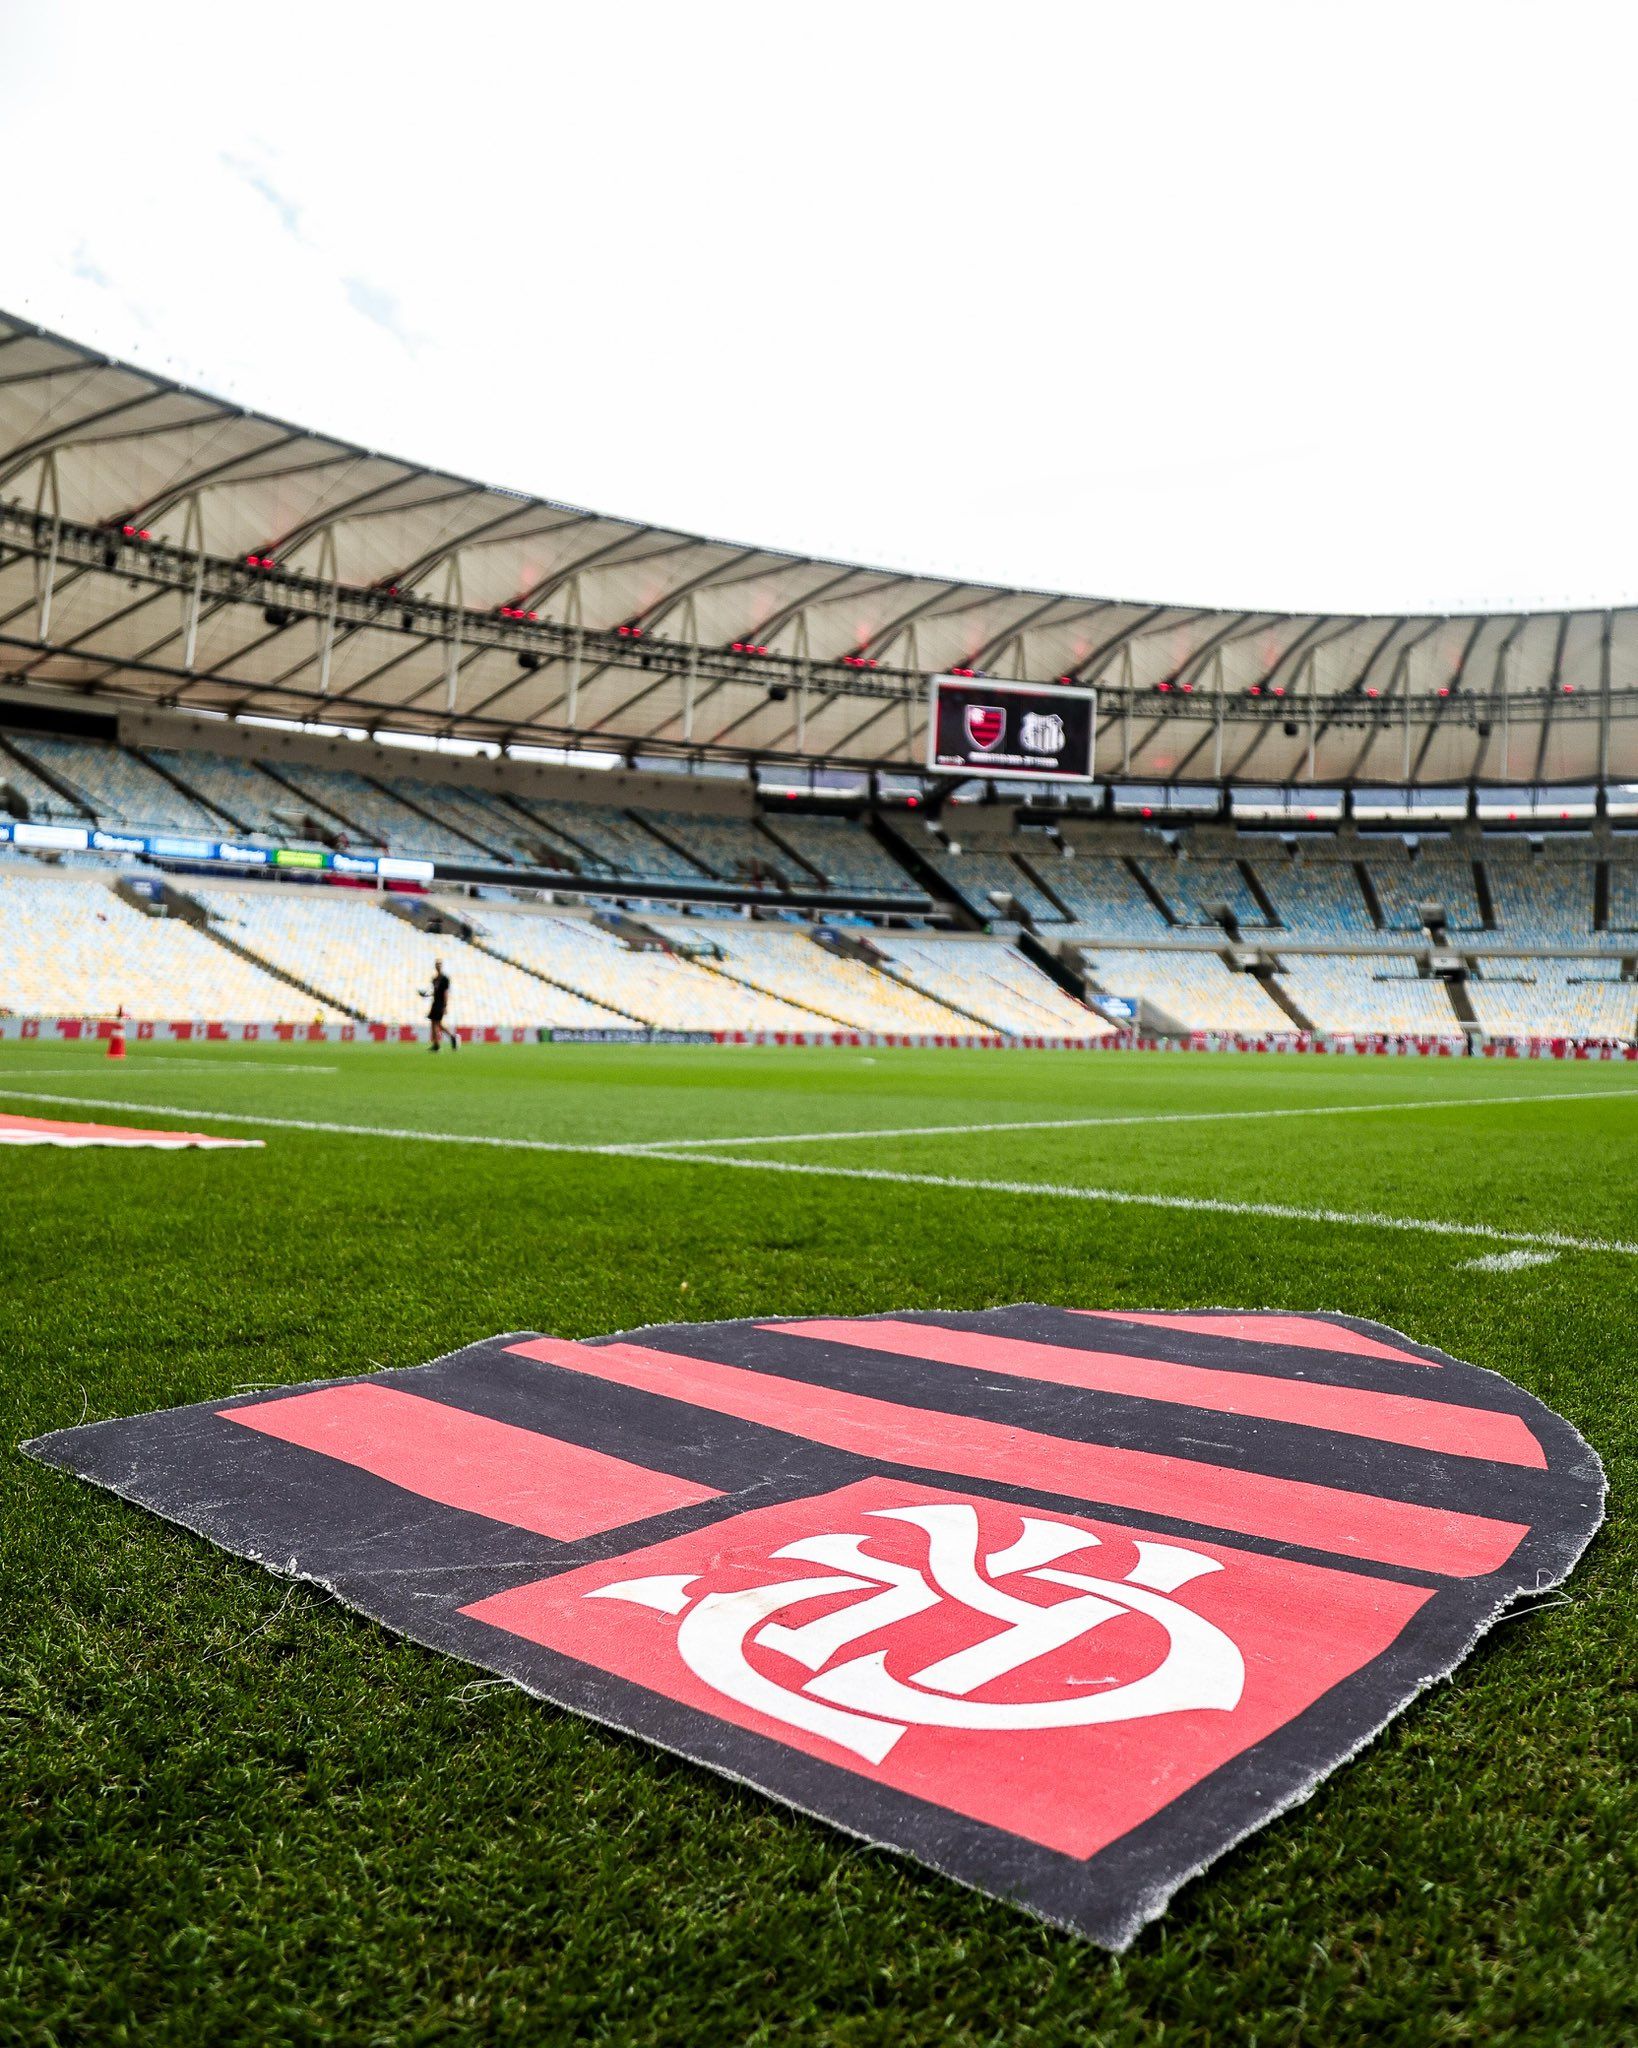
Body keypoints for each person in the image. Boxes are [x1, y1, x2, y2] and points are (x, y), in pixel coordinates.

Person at [422, 959, 456, 1052]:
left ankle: (437, 1045)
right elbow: (435, 992)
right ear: (435, 966)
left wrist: (445, 1006)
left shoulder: (445, 979)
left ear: (442, 966)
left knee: (435, 1023)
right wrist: (426, 995)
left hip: (440, 1003)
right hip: (435, 1002)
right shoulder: (434, 979)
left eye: (440, 964)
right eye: (437, 964)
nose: (438, 965)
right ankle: (451, 1038)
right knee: (436, 1023)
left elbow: (445, 992)